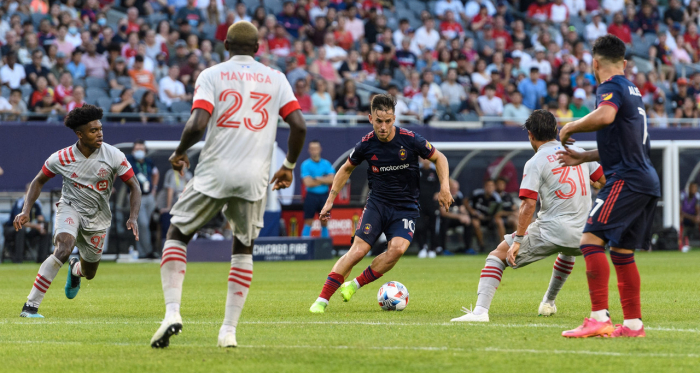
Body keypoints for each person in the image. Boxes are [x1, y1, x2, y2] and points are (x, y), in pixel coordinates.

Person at [150, 21, 307, 349]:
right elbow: (299, 125)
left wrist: (179, 152)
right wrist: (289, 166)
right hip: (254, 178)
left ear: (225, 46)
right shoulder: (276, 79)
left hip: (214, 172)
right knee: (243, 245)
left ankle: (172, 313)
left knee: (177, 232)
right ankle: (228, 331)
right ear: (258, 48)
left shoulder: (211, 74)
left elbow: (198, 123)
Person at [451, 109, 605, 322]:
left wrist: (518, 240)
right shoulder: (578, 150)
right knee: (566, 252)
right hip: (585, 235)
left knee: (496, 256)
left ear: (530, 135)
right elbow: (605, 181)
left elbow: (528, 205)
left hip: (552, 230)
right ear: (556, 130)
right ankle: (548, 303)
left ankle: (479, 312)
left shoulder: (536, 161)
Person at [308, 94, 452, 314]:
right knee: (357, 252)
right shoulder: (366, 144)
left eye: (387, 121)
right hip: (378, 204)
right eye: (378, 121)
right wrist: (329, 201)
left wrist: (445, 188)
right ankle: (322, 300)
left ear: (393, 118)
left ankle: (353, 285)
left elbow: (439, 158)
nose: (383, 126)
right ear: (370, 119)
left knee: (396, 250)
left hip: (405, 206)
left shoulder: (410, 139)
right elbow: (345, 169)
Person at [558, 35, 661, 338]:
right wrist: (584, 158)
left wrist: (569, 126)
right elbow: (624, 142)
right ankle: (632, 325)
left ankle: (598, 317)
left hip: (626, 178)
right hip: (645, 177)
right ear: (625, 63)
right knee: (622, 251)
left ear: (595, 62)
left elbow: (605, 116)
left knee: (590, 240)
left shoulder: (610, 87)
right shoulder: (634, 90)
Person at [15, 105, 141, 318]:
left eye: (100, 129)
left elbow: (134, 186)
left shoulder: (114, 155)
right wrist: (26, 210)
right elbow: (38, 181)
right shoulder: (61, 157)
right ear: (79, 134)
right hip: (70, 208)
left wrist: (133, 217)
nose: (99, 133)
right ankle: (30, 306)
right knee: (63, 248)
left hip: (98, 217)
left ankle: (75, 270)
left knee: (89, 273)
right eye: (93, 131)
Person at [126, 140, 159, 259]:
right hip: (135, 196)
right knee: (143, 223)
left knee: (145, 225)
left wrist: (154, 188)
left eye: (141, 149)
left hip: (149, 196)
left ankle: (142, 251)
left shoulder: (149, 162)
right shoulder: (128, 160)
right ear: (133, 151)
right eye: (137, 149)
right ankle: (148, 251)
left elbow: (156, 173)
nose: (139, 151)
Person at [3, 183, 50, 263]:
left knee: (45, 231)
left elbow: (40, 217)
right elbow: (19, 222)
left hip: (29, 229)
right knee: (21, 229)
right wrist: (36, 226)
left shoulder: (37, 204)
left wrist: (41, 223)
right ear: (26, 192)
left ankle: (42, 260)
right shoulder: (20, 202)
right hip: (12, 228)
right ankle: (18, 260)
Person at [300, 141, 335, 238]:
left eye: (316, 148)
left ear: (320, 149)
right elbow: (308, 183)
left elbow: (332, 179)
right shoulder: (305, 164)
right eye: (312, 149)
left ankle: (325, 246)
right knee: (308, 222)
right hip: (311, 196)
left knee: (324, 222)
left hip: (324, 196)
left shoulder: (326, 164)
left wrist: (316, 178)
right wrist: (324, 179)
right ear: (309, 150)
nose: (314, 151)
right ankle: (305, 245)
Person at [438, 179, 475, 255]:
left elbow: (462, 209)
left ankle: (467, 248)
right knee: (444, 222)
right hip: (443, 221)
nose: (455, 190)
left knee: (468, 222)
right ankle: (443, 249)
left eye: (456, 188)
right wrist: (459, 216)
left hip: (455, 220)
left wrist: (466, 216)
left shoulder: (458, 195)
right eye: (453, 188)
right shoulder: (442, 195)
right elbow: (443, 213)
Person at [415, 158, 441, 258]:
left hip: (432, 204)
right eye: (422, 158)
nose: (425, 160)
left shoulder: (435, 172)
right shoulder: (416, 171)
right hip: (420, 203)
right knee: (420, 226)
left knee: (433, 227)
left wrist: (438, 193)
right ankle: (422, 248)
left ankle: (432, 249)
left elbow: (440, 185)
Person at [467, 179, 502, 252]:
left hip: (489, 218)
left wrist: (491, 217)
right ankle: (481, 245)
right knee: (475, 223)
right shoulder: (477, 194)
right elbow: (466, 201)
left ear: (494, 187)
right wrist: (472, 211)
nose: (489, 187)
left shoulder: (496, 197)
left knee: (499, 221)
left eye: (491, 186)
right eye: (488, 185)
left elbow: (498, 211)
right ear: (484, 186)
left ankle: (502, 245)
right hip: (477, 217)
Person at [681, 182, 700, 250]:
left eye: (695, 188)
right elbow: (680, 211)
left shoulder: (697, 196)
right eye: (692, 187)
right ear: (689, 188)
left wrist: (698, 216)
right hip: (685, 217)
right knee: (680, 219)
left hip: (692, 217)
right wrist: (692, 217)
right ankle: (680, 243)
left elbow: (697, 209)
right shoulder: (683, 195)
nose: (693, 189)